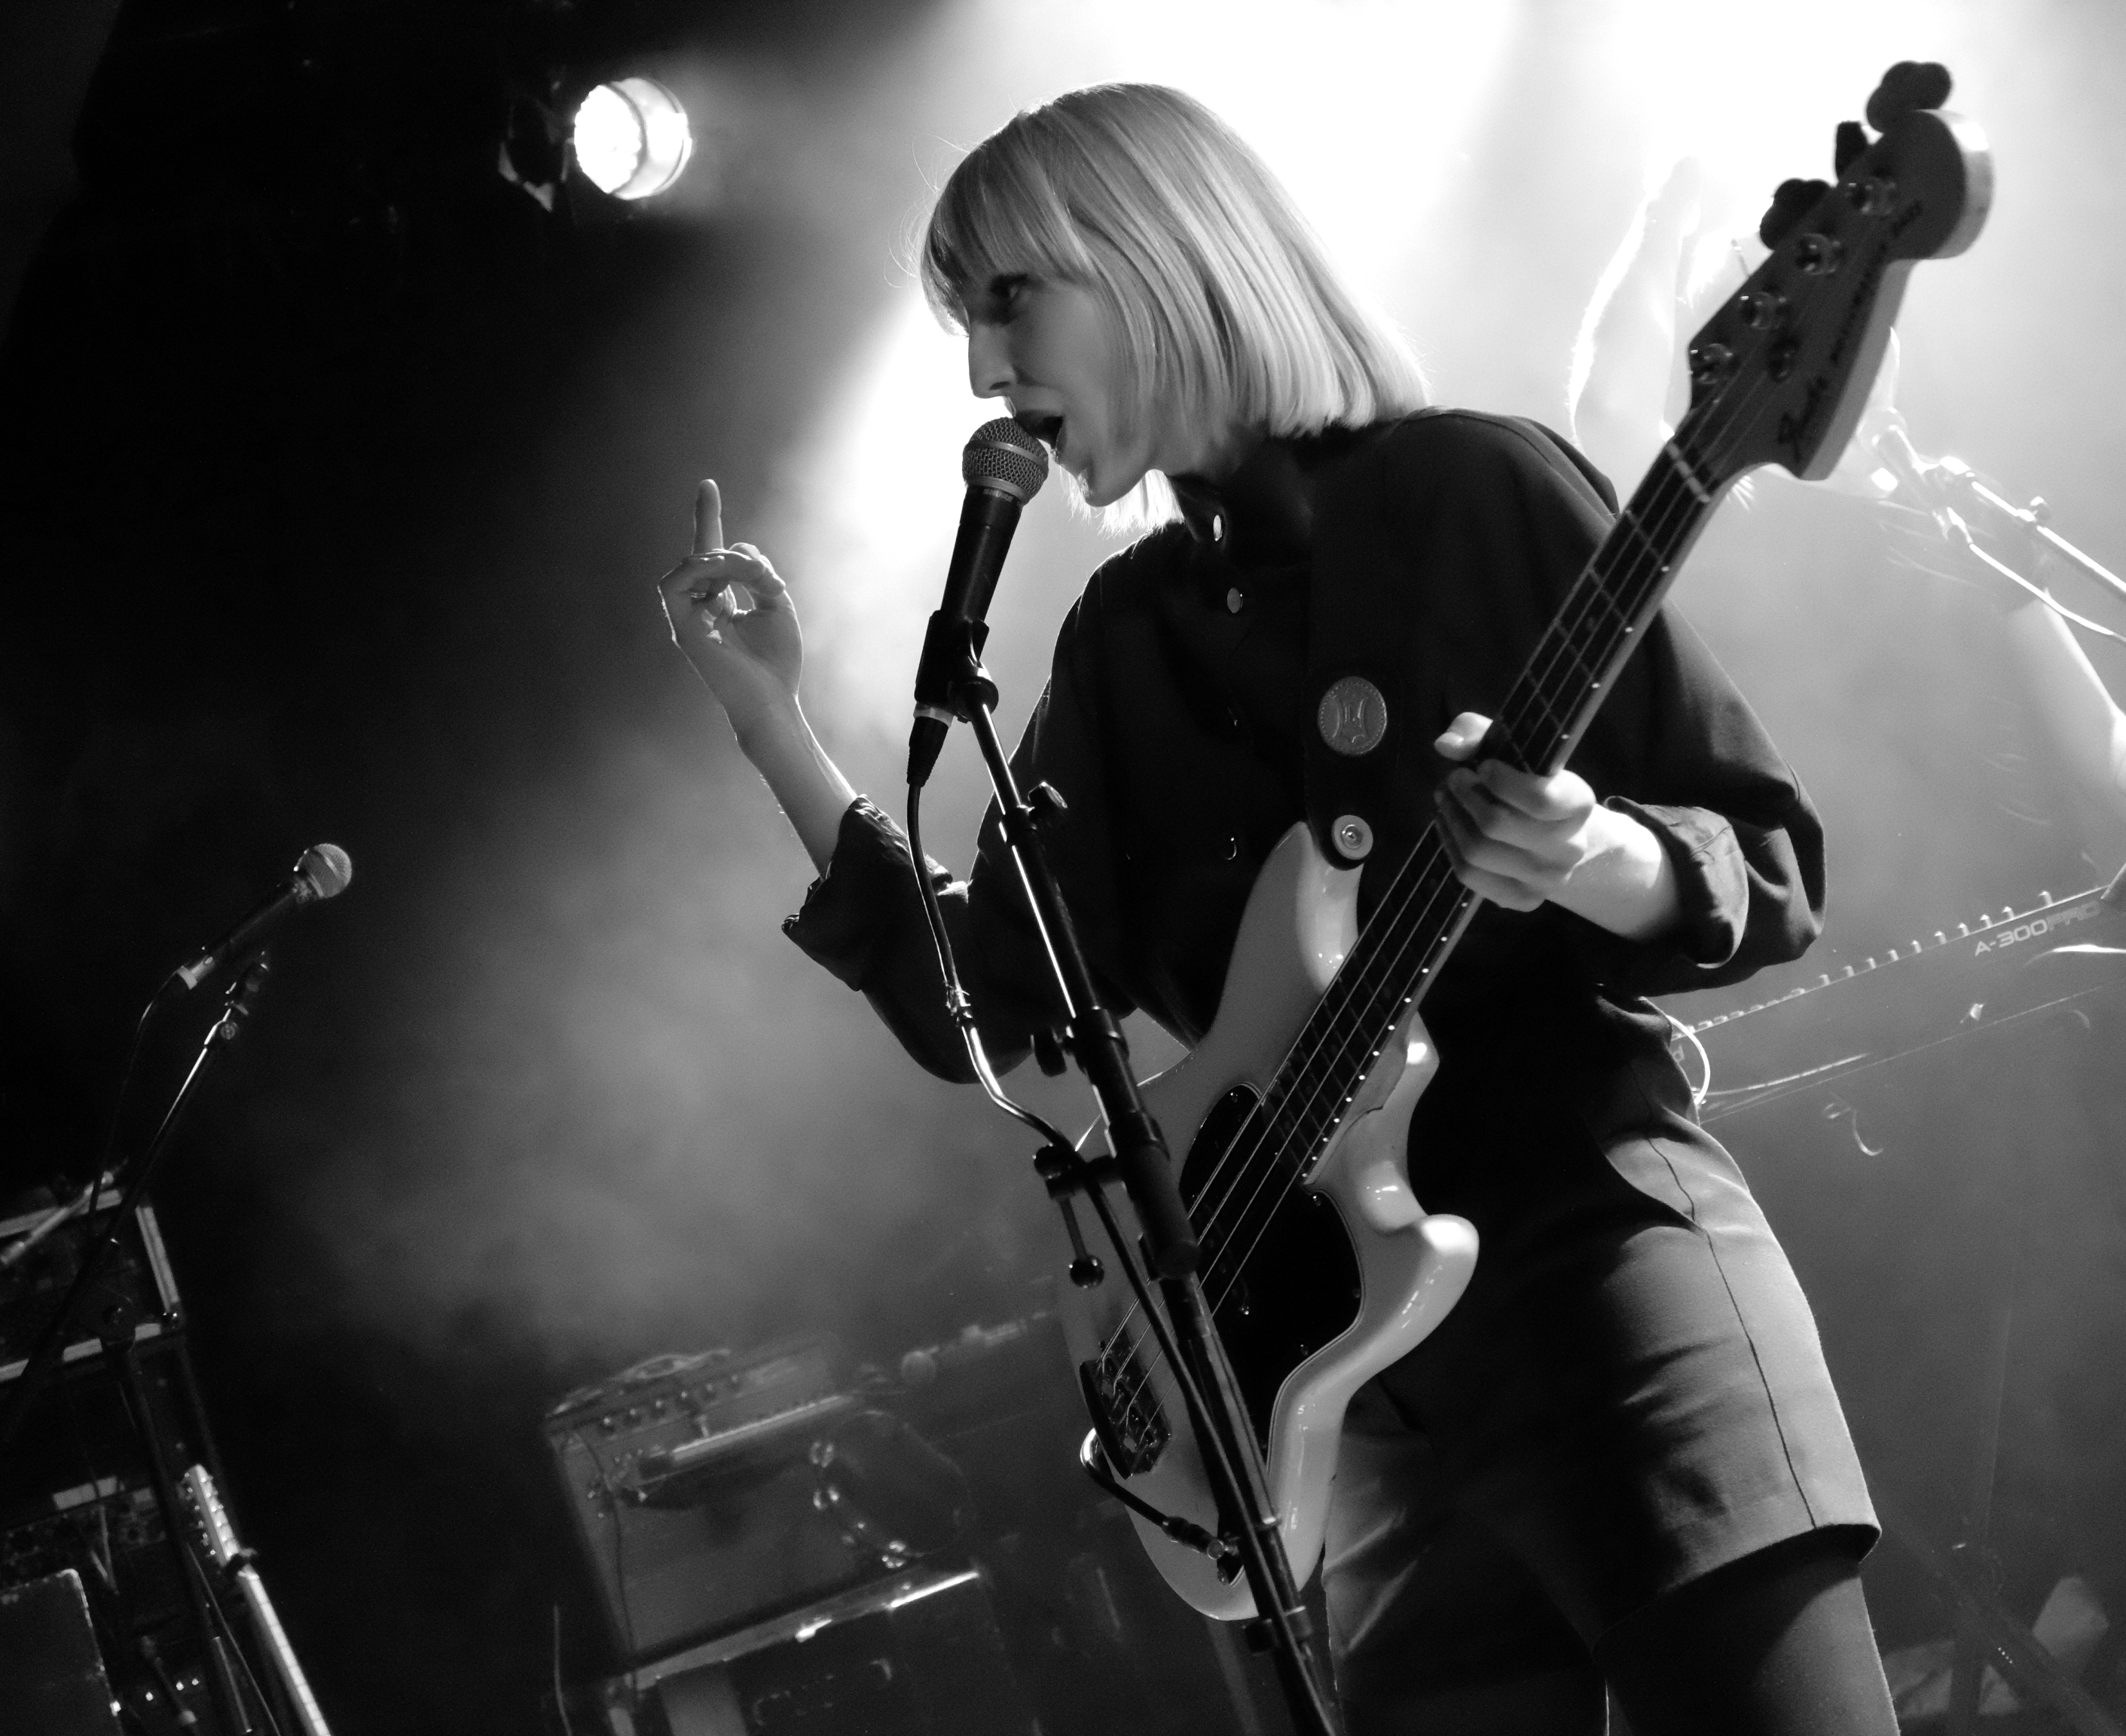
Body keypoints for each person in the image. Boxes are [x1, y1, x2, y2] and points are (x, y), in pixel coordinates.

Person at [655, 84, 1900, 1736]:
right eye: (962, 325)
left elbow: (1766, 852)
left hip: (1598, 1270)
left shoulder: (1472, 490)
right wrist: (773, 726)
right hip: (1349, 1388)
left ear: (1157, 261)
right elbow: (994, 1008)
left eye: (1011, 300)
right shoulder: (1125, 639)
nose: (981, 371)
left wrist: (1595, 854)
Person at [1568, 164, 2126, 1736]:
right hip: (1955, 1038)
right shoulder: (1723, 552)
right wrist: (1667, 216)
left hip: (2084, 982)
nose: (1866, 368)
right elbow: (1605, 418)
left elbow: (2116, 775)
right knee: (2120, 1388)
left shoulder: (1950, 528)